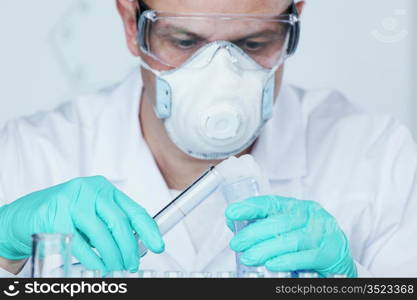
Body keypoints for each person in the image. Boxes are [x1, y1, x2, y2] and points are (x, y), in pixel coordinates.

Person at [0, 0, 416, 278]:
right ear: (132, 25)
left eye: (254, 43)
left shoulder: (376, 154)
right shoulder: (32, 154)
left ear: (295, 20)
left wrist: (354, 283)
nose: (222, 75)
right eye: (183, 41)